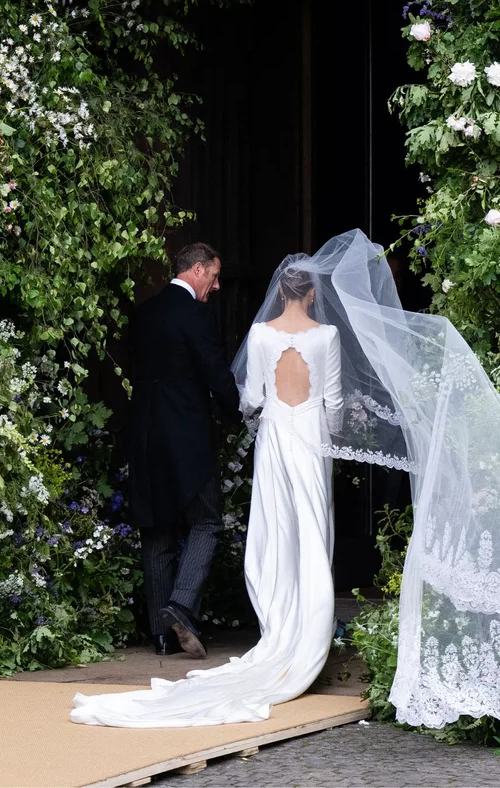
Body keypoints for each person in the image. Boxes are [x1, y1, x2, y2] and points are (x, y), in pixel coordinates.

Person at [73, 230, 500, 730]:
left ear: (279, 291)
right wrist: (328, 430)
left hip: (263, 437)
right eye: (212, 275)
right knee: (308, 530)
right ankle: (300, 626)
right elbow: (334, 403)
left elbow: (251, 397)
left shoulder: (249, 334)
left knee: (261, 531)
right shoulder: (328, 336)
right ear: (314, 293)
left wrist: (258, 417)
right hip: (307, 439)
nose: (215, 284)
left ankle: (197, 628)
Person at [125, 242, 241, 658]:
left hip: (144, 437)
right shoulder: (195, 314)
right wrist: (238, 411)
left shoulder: (144, 313)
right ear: (196, 269)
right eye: (213, 276)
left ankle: (161, 636)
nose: (215, 286)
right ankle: (180, 604)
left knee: (157, 529)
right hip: (187, 439)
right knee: (206, 522)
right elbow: (215, 373)